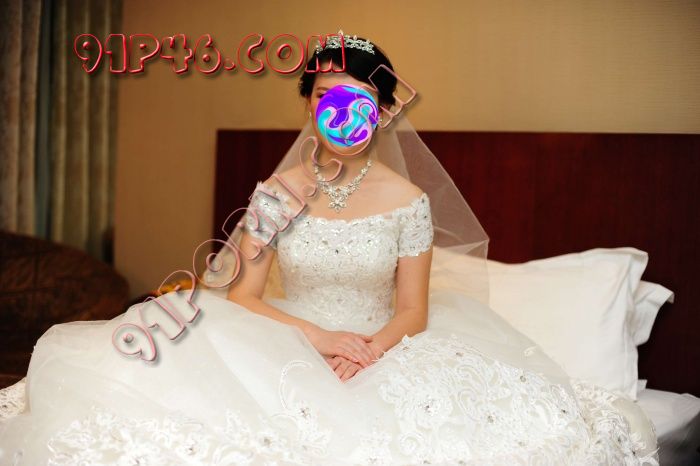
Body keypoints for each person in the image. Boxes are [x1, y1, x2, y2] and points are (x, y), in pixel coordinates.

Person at [0, 32, 659, 465]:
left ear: (382, 110)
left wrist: (363, 351)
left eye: (358, 98)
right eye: (324, 96)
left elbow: (413, 311)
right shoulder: (277, 194)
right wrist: (318, 339)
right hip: (285, 334)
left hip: (382, 346)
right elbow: (245, 295)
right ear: (310, 105)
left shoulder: (409, 201)